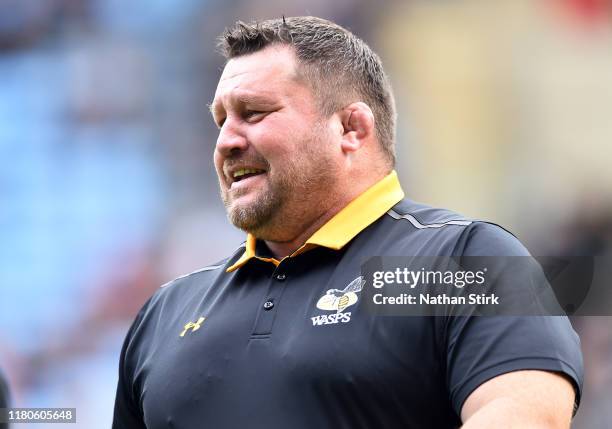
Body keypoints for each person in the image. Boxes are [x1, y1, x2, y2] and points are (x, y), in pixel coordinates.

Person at [112, 16, 583, 428]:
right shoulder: (166, 312)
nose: (227, 142)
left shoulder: (463, 262)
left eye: (253, 113)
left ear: (351, 129)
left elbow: (527, 418)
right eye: (221, 121)